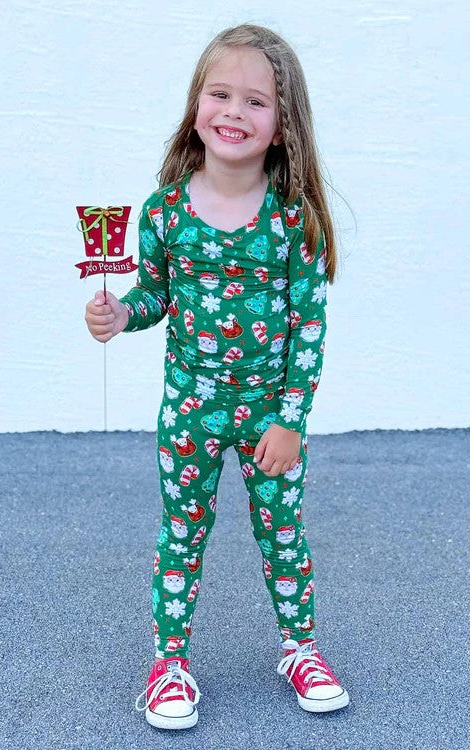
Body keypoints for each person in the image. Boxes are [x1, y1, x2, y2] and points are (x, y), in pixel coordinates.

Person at [84, 22, 348, 730]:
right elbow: (155, 295)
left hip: (269, 419)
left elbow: (309, 329)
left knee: (283, 532)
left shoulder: (292, 222)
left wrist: (290, 421)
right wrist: (121, 314)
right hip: (189, 414)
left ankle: (301, 648)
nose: (234, 111)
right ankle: (168, 664)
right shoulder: (166, 211)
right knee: (182, 533)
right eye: (220, 94)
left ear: (283, 126)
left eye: (256, 101)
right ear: (196, 105)